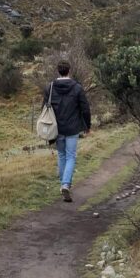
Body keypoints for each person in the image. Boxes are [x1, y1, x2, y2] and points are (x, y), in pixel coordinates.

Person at [42, 59, 91, 202]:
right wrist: (87, 126)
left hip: (56, 129)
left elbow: (44, 109)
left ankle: (63, 184)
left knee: (62, 155)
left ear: (58, 71)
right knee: (71, 156)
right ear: (69, 71)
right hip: (72, 128)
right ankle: (65, 184)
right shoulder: (77, 88)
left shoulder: (50, 87)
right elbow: (85, 109)